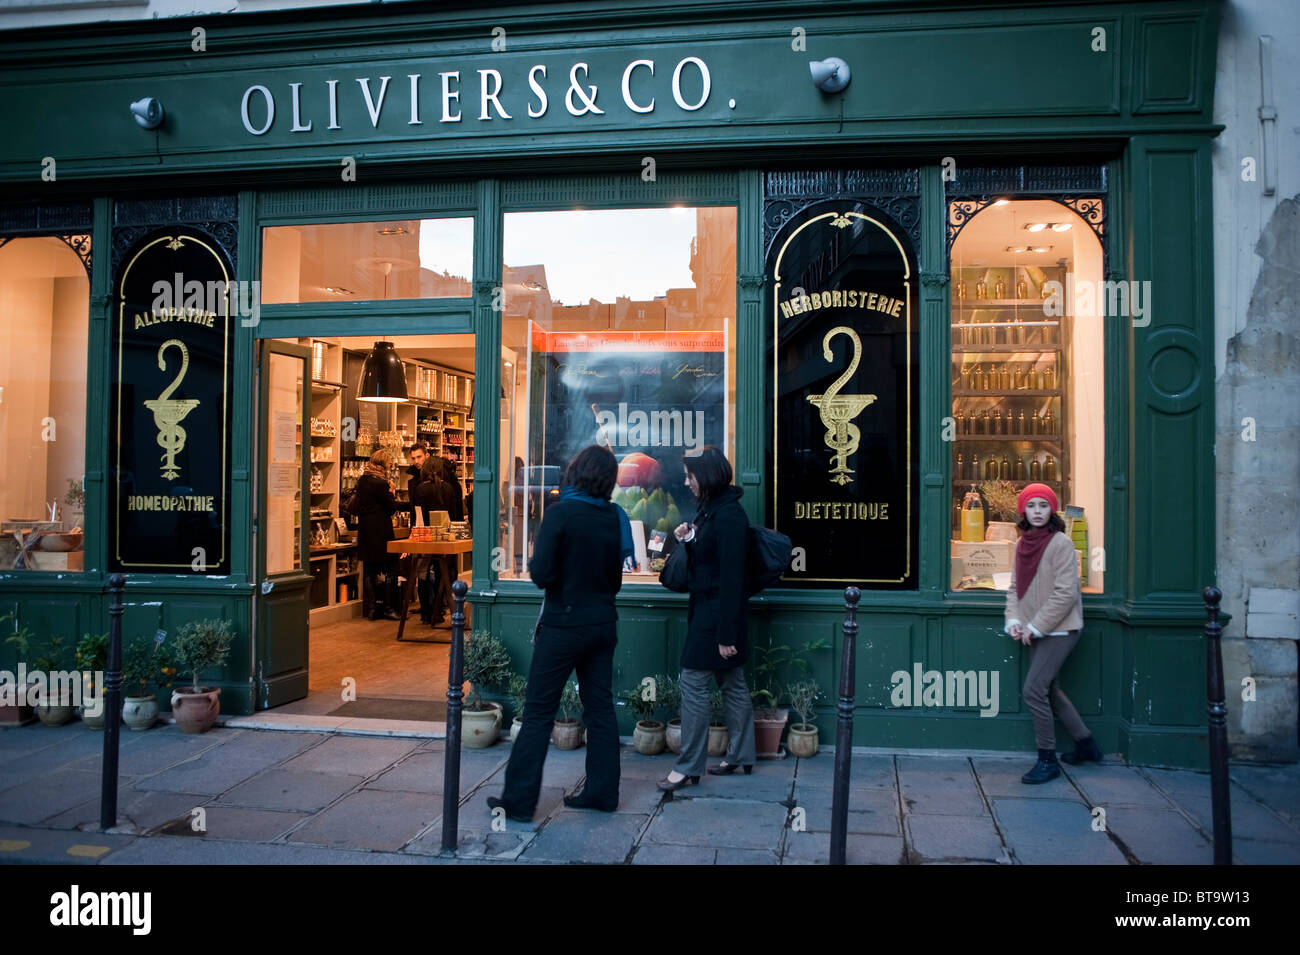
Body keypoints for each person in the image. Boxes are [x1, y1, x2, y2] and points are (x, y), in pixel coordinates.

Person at [488, 445, 631, 821]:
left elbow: (541, 575)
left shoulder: (560, 513)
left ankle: (519, 802)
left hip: (563, 626)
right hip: (603, 624)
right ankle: (602, 792)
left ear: (575, 473)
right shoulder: (613, 517)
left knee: (538, 713)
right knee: (600, 709)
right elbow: (615, 581)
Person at [659, 446, 756, 792]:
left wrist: (726, 634)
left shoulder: (729, 517)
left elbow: (733, 578)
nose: (687, 482)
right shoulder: (713, 510)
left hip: (716, 617)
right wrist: (690, 539)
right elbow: (713, 560)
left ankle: (688, 767)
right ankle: (742, 755)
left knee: (694, 684)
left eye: (691, 476)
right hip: (711, 611)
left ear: (708, 476)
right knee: (732, 682)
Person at [1004, 482, 1100, 783]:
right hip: (1036, 630)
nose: (1036, 512)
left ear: (1052, 510)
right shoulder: (1022, 544)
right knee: (1049, 690)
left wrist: (1035, 625)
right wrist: (1015, 619)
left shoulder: (1061, 543)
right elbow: (1015, 587)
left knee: (1033, 690)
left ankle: (1047, 760)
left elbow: (1065, 594)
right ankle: (1086, 744)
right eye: (1031, 506)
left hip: (1060, 630)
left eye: (1043, 506)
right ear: (1023, 510)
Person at [355, 450, 400, 621]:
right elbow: (391, 507)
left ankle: (372, 608)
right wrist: (392, 492)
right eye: (389, 463)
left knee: (369, 568)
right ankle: (388, 607)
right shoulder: (381, 484)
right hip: (380, 530)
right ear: (384, 464)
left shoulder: (362, 480)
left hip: (365, 529)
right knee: (391, 568)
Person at [412, 455, 452, 625]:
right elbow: (453, 514)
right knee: (442, 572)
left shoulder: (421, 489)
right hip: (443, 537)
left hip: (425, 536)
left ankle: (426, 612)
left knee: (423, 573)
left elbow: (417, 516)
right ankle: (439, 609)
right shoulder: (448, 488)